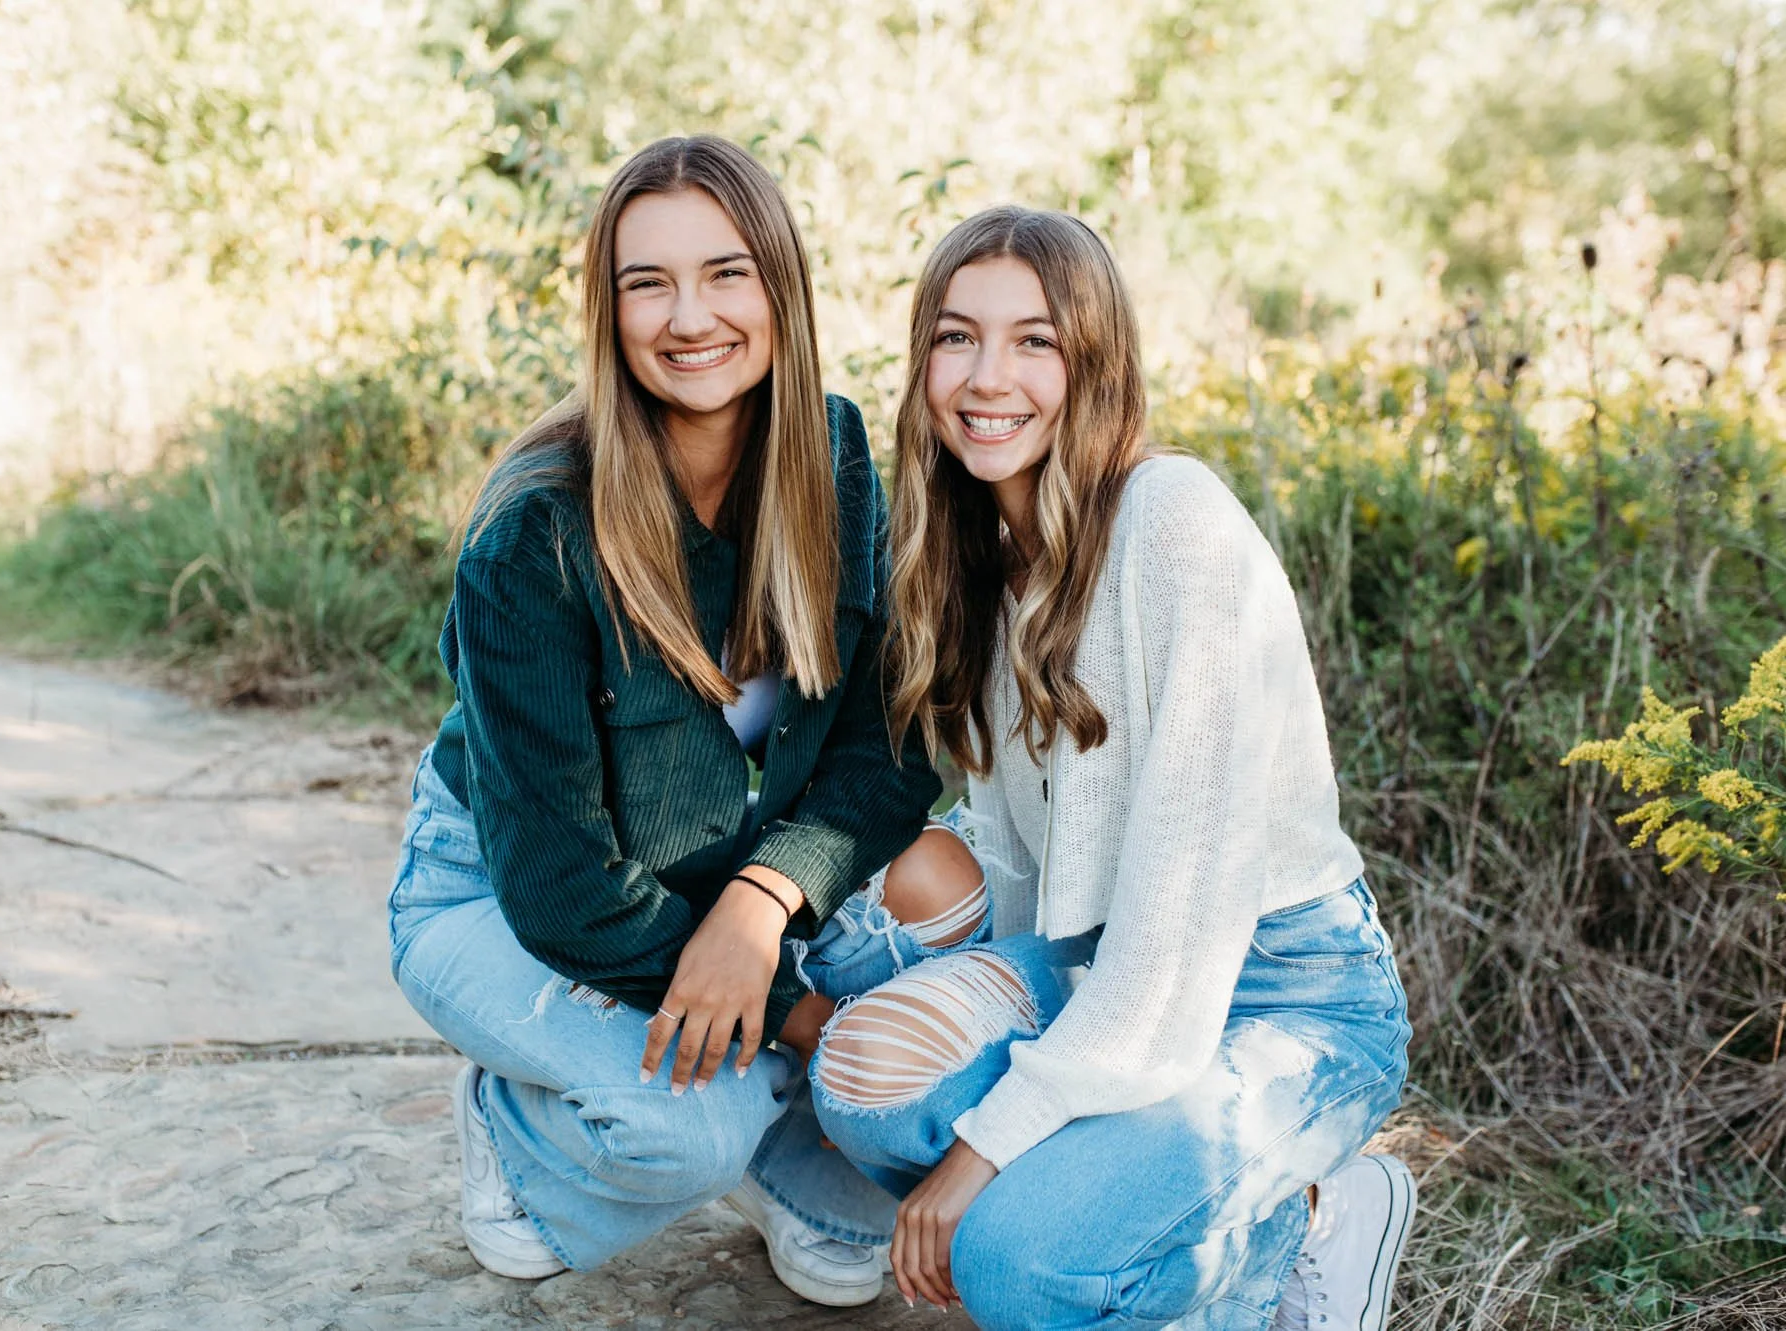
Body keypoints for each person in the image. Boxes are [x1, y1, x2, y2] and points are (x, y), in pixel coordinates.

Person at [385, 135, 987, 1308]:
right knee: (685, 1130)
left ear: (779, 288)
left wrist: (761, 906)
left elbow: (888, 748)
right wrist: (807, 1022)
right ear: (607, 313)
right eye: (644, 282)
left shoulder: (834, 452)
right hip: (504, 893)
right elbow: (558, 878)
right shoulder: (534, 536)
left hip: (725, 869)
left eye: (725, 273)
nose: (687, 315)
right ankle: (518, 1120)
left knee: (940, 886)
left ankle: (795, 1161)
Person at [808, 205, 1417, 1330]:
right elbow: (1015, 845)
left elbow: (1179, 936)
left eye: (1034, 340)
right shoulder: (984, 559)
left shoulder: (1174, 524)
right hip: (1102, 970)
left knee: (1012, 1263)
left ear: (1094, 363)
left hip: (1283, 994)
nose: (988, 377)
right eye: (956, 337)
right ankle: (1160, 1219)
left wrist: (986, 1149)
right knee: (863, 1082)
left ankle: (1307, 1229)